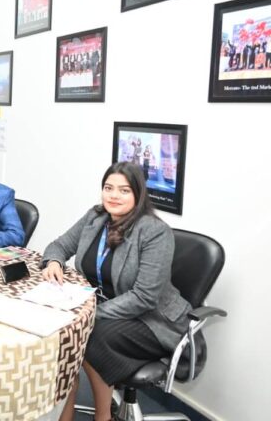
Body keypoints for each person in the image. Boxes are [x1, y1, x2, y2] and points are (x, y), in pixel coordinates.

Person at [41, 162, 192, 421]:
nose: (114, 195)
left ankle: (103, 416)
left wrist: (90, 313)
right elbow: (59, 245)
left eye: (124, 190)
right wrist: (53, 262)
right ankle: (66, 406)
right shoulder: (95, 217)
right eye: (108, 188)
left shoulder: (155, 232)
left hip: (153, 320)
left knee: (88, 334)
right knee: (65, 330)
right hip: (107, 309)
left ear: (138, 194)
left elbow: (144, 297)